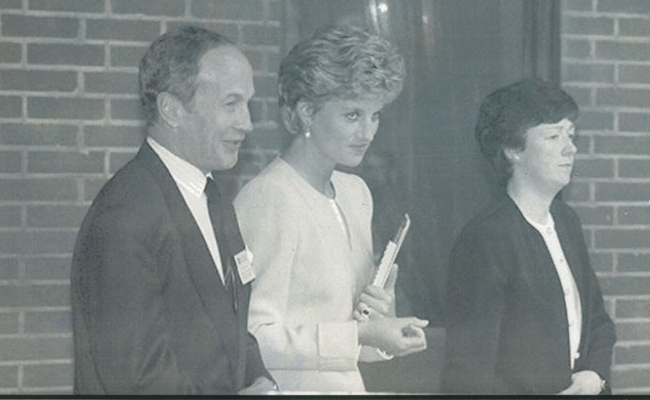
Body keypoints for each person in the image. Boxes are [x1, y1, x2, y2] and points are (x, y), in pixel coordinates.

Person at [71, 26, 275, 395]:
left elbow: (230, 324)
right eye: (231, 104)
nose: (247, 122)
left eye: (248, 104)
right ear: (171, 109)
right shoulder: (124, 214)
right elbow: (136, 378)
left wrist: (261, 381)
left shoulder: (212, 196)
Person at [234, 25, 428, 392]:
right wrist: (363, 333)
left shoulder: (356, 193)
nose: (368, 133)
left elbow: (351, 342)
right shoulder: (270, 197)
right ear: (307, 112)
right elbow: (254, 338)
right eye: (353, 115)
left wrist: (383, 324)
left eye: (376, 116)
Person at [442, 79, 616, 395]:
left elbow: (599, 323)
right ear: (512, 150)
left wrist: (594, 373)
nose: (570, 148)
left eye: (571, 135)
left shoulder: (566, 222)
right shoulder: (486, 238)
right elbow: (470, 370)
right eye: (553, 136)